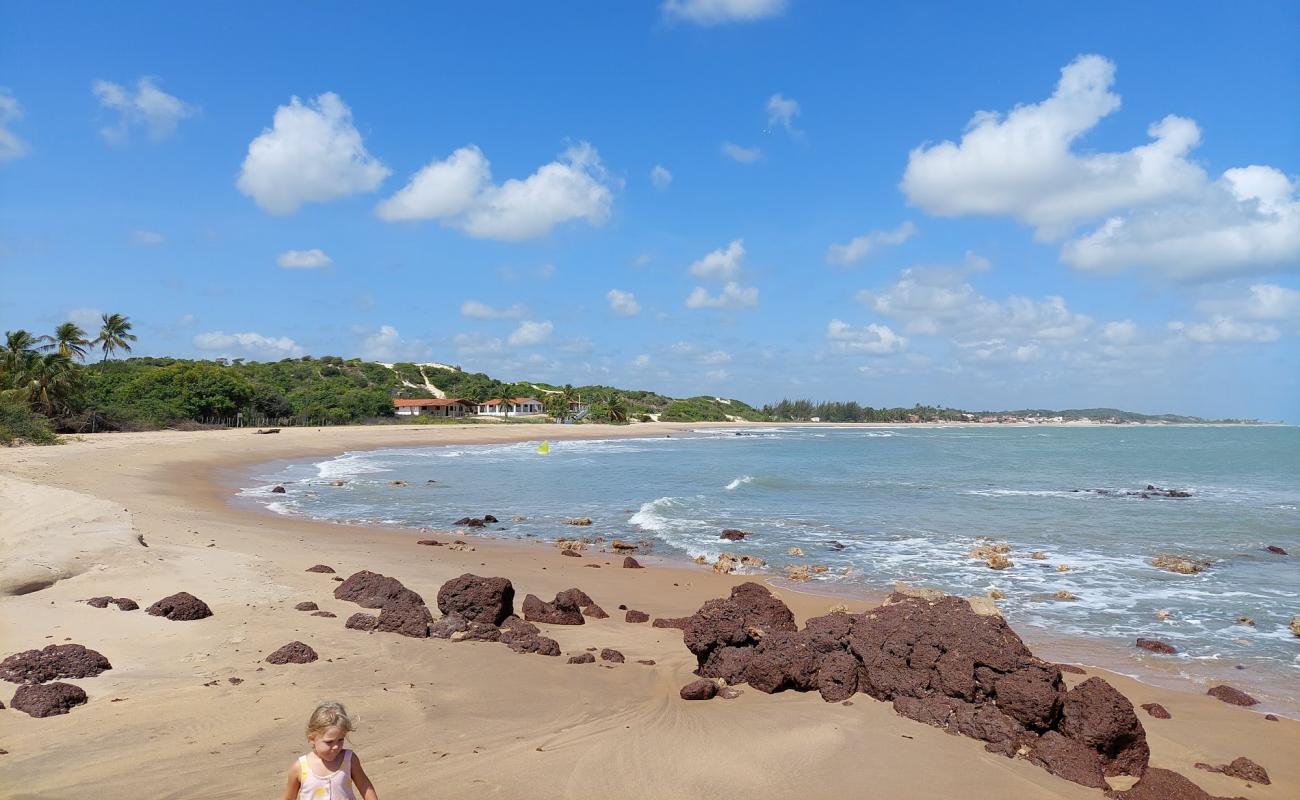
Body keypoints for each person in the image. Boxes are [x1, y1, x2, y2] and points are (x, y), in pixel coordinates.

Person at [281, 702, 379, 800]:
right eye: (329, 742)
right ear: (312, 738)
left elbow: (365, 787)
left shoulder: (349, 760)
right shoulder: (300, 768)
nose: (336, 746)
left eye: (340, 740)